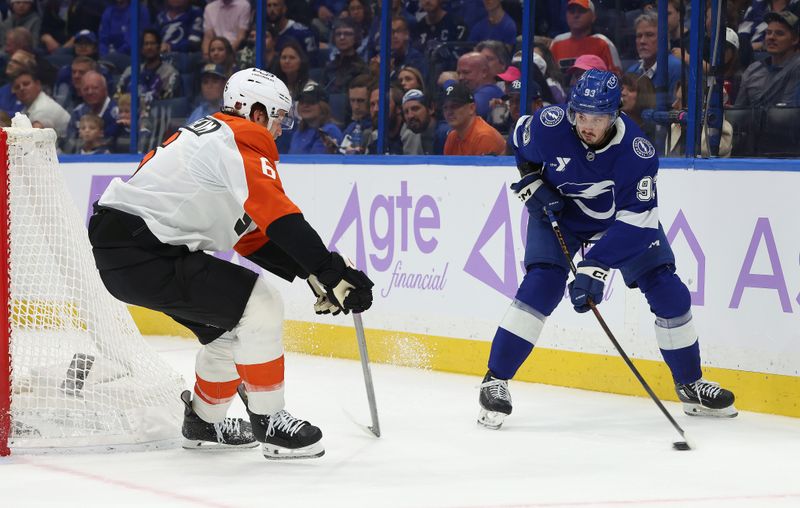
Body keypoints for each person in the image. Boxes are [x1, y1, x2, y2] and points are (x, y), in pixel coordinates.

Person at [87, 67, 374, 460]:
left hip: (128, 253)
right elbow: (280, 216)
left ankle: (204, 421)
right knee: (262, 305)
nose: (277, 130)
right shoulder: (242, 136)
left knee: (230, 327)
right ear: (256, 112)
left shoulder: (213, 139)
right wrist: (331, 270)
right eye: (277, 118)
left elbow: (253, 236)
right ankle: (271, 422)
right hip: (144, 252)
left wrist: (311, 271)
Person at [476, 69, 737, 431]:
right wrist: (532, 181)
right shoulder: (550, 124)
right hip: (560, 216)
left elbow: (638, 221)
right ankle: (495, 379)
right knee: (542, 286)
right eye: (581, 114)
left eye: (597, 118)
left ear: (614, 115)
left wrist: (595, 265)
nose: (586, 124)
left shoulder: (636, 151)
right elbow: (521, 144)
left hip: (618, 224)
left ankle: (690, 384)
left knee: (669, 291)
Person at [735, 11, 800, 107]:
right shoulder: (753, 69)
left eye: (779, 33)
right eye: (768, 32)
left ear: (795, 39)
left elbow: (788, 113)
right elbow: (739, 112)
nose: (771, 37)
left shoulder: (797, 67)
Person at [549, 0, 622, 74]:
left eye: (581, 11)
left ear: (593, 16)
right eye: (572, 12)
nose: (576, 15)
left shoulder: (602, 43)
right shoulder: (557, 43)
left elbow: (616, 76)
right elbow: (550, 75)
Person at [626, 12, 682, 98]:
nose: (642, 41)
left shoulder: (676, 67)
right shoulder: (632, 71)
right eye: (639, 36)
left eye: (649, 35)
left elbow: (676, 108)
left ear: (664, 38)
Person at [442, 81, 505, 156]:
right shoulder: (452, 137)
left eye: (455, 106)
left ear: (471, 108)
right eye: (445, 108)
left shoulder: (484, 137)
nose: (449, 112)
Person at [288, 82, 343, 154]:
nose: (305, 105)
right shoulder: (299, 131)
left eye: (311, 101)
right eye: (302, 101)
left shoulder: (330, 131)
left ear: (323, 106)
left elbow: (316, 162)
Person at [14, 67, 71, 137]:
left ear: (37, 84)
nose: (21, 88)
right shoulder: (28, 107)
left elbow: (33, 140)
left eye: (26, 84)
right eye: (17, 87)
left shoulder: (43, 108)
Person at [457, 52, 505, 120]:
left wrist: (449, 83)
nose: (460, 77)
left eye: (466, 72)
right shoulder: (471, 92)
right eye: (458, 73)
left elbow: (466, 112)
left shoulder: (490, 91)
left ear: (484, 72)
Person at [401, 88, 448, 155]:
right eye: (406, 112)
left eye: (415, 109)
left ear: (431, 108)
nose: (410, 116)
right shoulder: (415, 135)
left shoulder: (445, 133)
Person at [341, 73, 372, 154]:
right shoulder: (351, 128)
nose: (355, 107)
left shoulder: (378, 131)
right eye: (352, 100)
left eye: (361, 101)